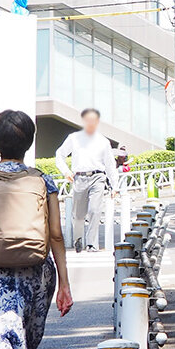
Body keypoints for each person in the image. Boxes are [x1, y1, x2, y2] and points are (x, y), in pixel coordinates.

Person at [0, 110, 73, 349]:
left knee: (0, 343)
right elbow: (55, 233)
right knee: (23, 344)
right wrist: (66, 284)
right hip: (35, 274)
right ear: (29, 143)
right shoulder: (44, 180)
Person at [55, 107, 118, 253]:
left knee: (95, 210)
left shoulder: (103, 141)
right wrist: (66, 171)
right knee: (78, 214)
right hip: (79, 178)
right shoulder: (73, 138)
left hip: (98, 177)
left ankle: (91, 244)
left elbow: (110, 165)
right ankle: (78, 239)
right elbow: (60, 154)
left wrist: (114, 186)